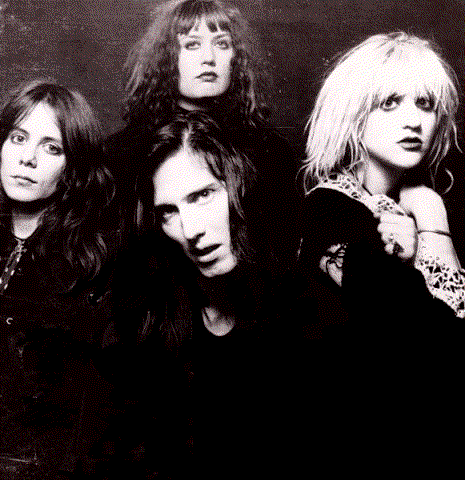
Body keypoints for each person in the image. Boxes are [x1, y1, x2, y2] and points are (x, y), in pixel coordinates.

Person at [101, 112, 299, 478]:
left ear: (243, 187)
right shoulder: (152, 318)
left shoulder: (302, 307)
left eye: (203, 195)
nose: (191, 230)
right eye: (169, 212)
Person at [107, 0, 301, 268]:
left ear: (236, 58)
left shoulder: (271, 150)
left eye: (222, 44)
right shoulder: (125, 152)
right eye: (192, 45)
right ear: (166, 58)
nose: (209, 57)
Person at [299, 32, 464, 341]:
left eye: (425, 104)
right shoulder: (330, 210)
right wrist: (434, 224)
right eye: (390, 103)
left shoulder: (412, 204)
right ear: (353, 115)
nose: (414, 121)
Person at [0, 79, 116, 479]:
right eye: (18, 138)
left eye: (51, 148)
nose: (27, 159)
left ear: (73, 168)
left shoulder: (89, 263)